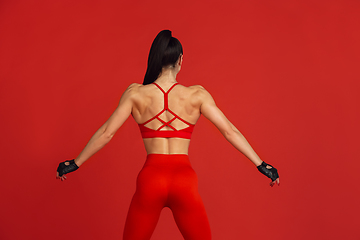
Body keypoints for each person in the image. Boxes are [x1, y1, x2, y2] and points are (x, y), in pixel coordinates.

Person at [56, 30, 280, 240]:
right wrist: (261, 164)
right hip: (184, 180)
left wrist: (75, 163)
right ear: (180, 60)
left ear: (155, 58)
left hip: (151, 179)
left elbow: (106, 133)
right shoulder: (197, 94)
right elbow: (229, 130)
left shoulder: (135, 93)